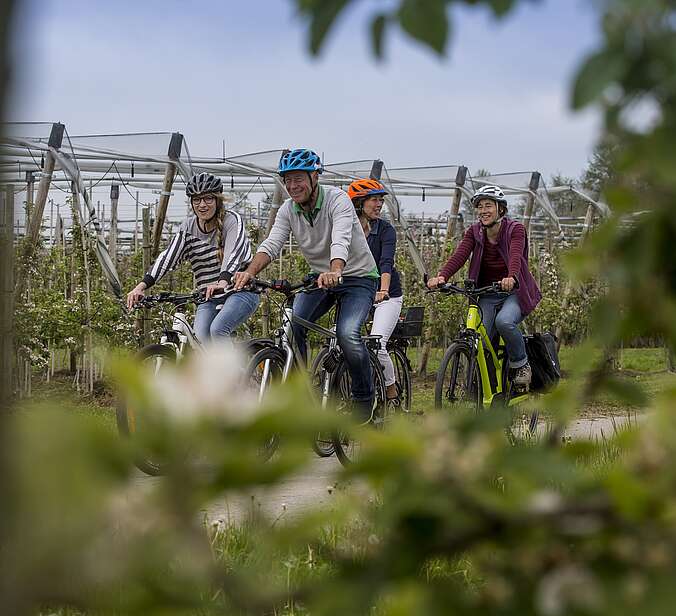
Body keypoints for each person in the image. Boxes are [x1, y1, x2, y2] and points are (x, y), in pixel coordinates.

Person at [232, 148, 379, 419]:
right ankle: (301, 393)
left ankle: (363, 398)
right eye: (287, 180)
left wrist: (335, 269)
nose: (291, 186)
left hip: (358, 277)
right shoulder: (289, 209)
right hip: (321, 279)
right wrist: (249, 272)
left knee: (347, 334)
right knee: (292, 327)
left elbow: (341, 238)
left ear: (314, 177)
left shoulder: (338, 200)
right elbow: (273, 242)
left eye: (298, 178)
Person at [427, 185, 541, 386]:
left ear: (501, 209)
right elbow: (460, 255)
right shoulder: (474, 232)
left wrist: (511, 277)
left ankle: (521, 364)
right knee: (480, 338)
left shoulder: (515, 230)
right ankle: (486, 384)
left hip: (513, 291)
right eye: (479, 207)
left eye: (488, 205)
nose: (483, 211)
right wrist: (442, 276)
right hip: (486, 292)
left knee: (504, 322)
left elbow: (516, 255)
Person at [126, 172, 260, 342]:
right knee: (201, 337)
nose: (202, 205)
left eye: (208, 199)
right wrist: (141, 286)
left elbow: (233, 255)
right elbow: (168, 257)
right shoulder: (188, 227)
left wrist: (222, 282)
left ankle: (230, 369)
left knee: (218, 330)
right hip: (208, 296)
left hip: (241, 292)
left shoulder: (231, 221)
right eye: (196, 200)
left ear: (218, 200)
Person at [348, 178, 403, 405]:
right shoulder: (347, 228)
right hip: (357, 292)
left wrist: (383, 290)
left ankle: (391, 390)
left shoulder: (385, 229)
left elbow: (386, 263)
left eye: (381, 200)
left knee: (376, 343)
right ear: (359, 203)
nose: (379, 204)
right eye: (374, 199)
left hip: (386, 295)